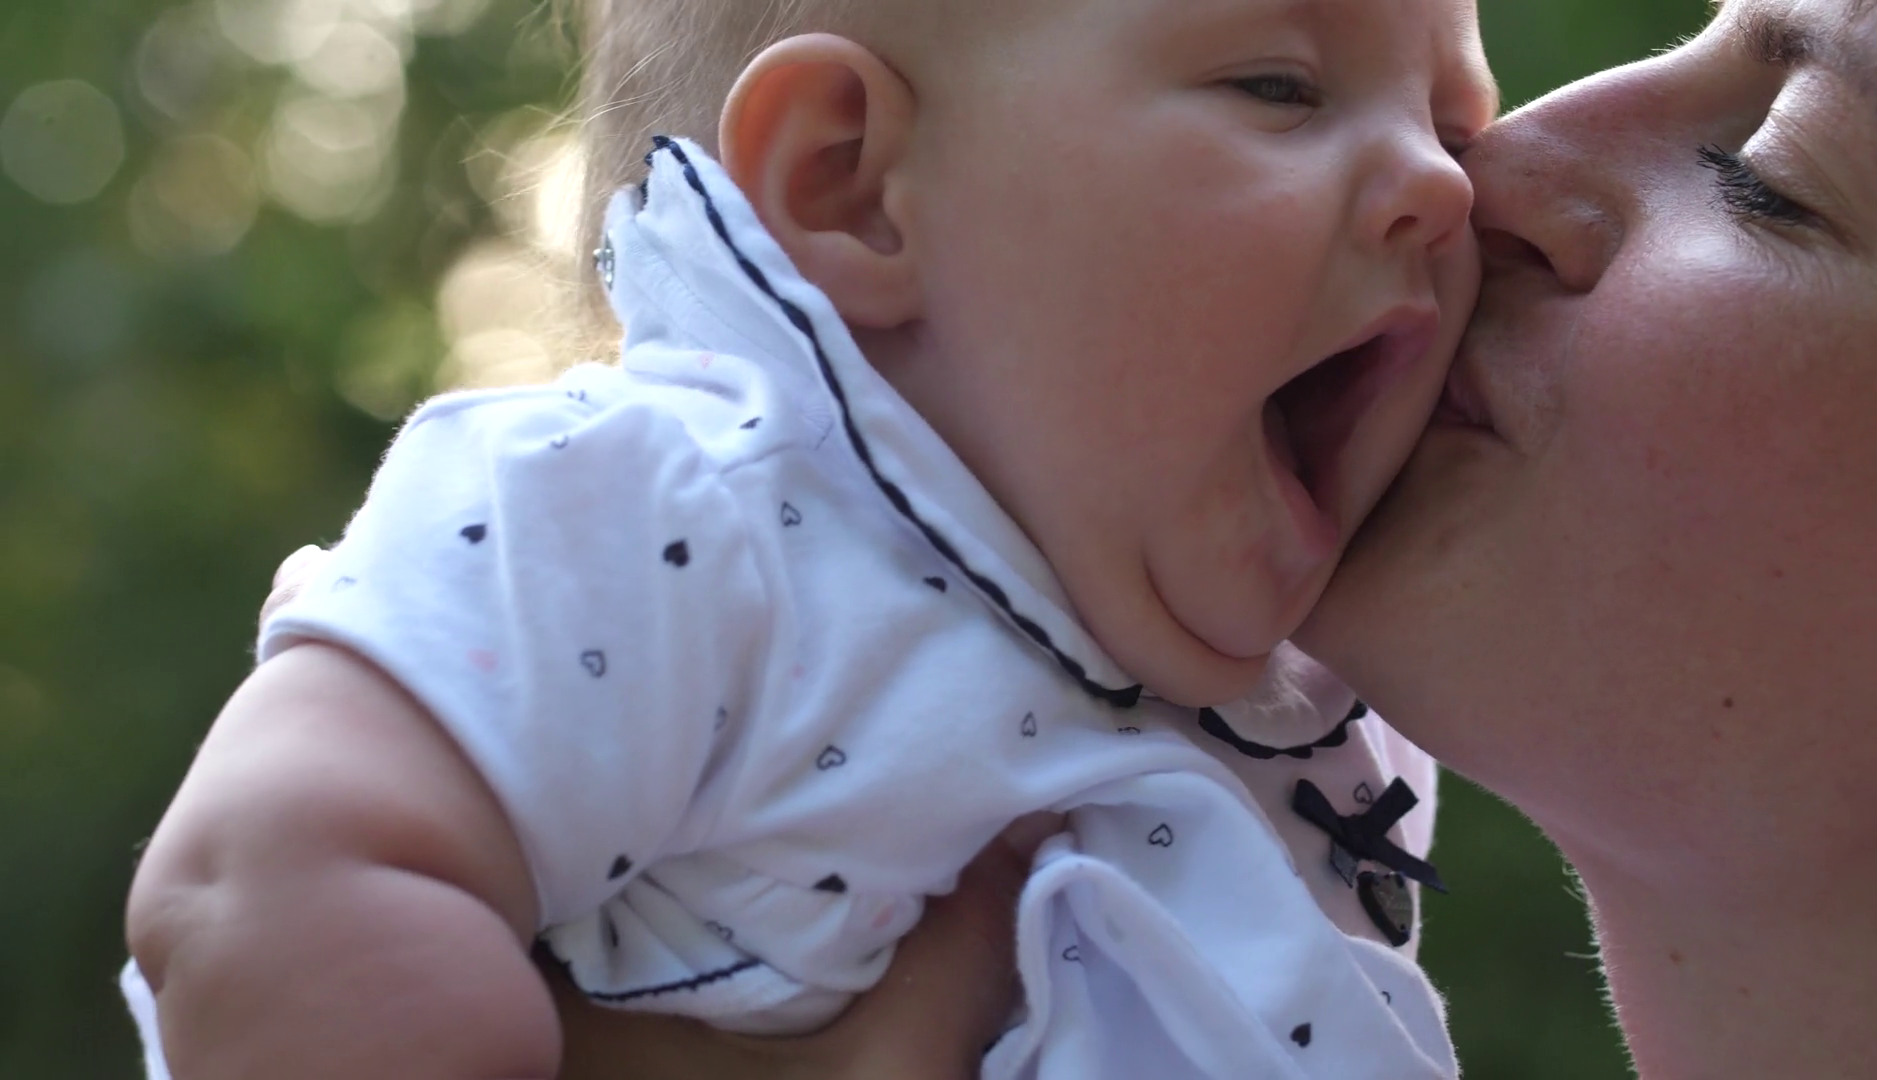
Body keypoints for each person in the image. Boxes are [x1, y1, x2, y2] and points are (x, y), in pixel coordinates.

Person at [122, 0, 1500, 1078]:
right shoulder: (665, 509)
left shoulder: (1328, 711)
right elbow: (273, 880)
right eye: (1279, 86)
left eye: (1456, 125)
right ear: (854, 184)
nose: (1444, 188)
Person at [542, 0, 1877, 1075]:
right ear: (849, 179)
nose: (1479, 174)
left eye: (1772, 175)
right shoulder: (612, 548)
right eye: (1278, 88)